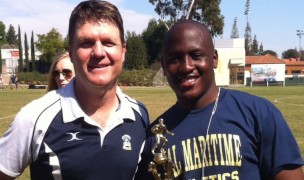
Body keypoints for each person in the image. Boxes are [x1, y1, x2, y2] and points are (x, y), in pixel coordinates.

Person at [135, 19, 304, 180]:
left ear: (214, 58)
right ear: (164, 67)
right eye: (175, 59)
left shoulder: (259, 114)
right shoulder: (156, 135)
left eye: (196, 55)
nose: (186, 66)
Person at [0, 1, 149, 179]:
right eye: (86, 43)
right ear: (71, 52)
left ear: (123, 51)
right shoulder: (34, 117)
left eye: (109, 42)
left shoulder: (139, 115)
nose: (99, 52)